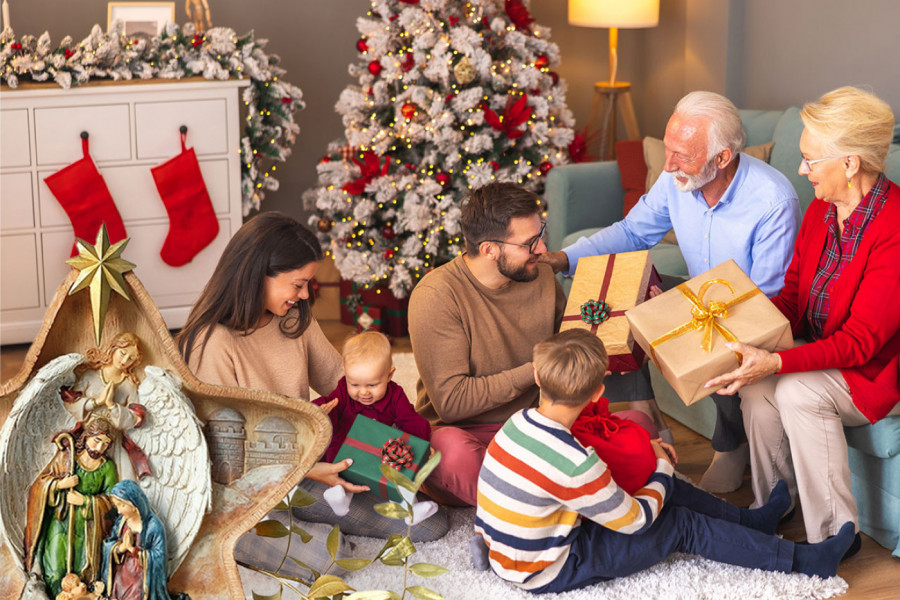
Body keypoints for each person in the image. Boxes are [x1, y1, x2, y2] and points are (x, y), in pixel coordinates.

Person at [541, 90, 801, 493]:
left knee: (719, 342)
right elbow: (632, 233)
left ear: (722, 158)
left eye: (682, 155)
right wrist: (562, 258)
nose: (668, 165)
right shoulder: (675, 178)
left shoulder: (772, 200)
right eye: (668, 150)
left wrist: (694, 327)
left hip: (746, 311)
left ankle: (730, 444)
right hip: (698, 298)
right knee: (617, 292)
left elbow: (767, 299)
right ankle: (645, 409)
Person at [474, 329, 855, 594]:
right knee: (678, 522)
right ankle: (803, 562)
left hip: (519, 550)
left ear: (538, 376)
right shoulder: (576, 462)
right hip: (551, 568)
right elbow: (637, 520)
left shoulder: (517, 423)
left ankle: (751, 521)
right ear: (598, 393)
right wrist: (661, 468)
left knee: (656, 489)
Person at [176, 212, 447, 549]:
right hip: (259, 480)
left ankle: (300, 522)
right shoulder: (213, 343)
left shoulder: (292, 318)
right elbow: (225, 453)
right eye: (298, 284)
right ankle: (264, 530)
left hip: (314, 456)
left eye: (308, 285)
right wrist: (308, 469)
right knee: (334, 556)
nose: (304, 296)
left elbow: (345, 383)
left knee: (433, 522)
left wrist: (389, 432)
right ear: (258, 275)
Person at [705, 86, 900, 552]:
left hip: (870, 371)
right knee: (756, 384)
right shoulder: (820, 211)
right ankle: (775, 504)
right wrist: (745, 333)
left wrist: (776, 362)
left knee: (795, 389)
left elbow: (861, 343)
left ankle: (837, 536)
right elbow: (792, 297)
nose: (801, 169)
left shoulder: (894, 229)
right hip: (822, 353)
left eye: (811, 160)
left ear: (850, 163)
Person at [409, 182, 655, 507]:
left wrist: (627, 324)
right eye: (529, 243)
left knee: (639, 427)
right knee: (452, 454)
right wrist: (536, 370)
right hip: (474, 432)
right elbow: (453, 403)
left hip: (544, 422)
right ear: (489, 250)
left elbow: (572, 355)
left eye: (541, 234)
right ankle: (572, 499)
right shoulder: (437, 296)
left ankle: (536, 501)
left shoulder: (538, 274)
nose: (542, 250)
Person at [312, 331, 436, 519]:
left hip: (377, 451)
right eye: (354, 384)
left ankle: (409, 509)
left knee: (397, 472)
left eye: (372, 385)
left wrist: (421, 448)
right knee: (339, 464)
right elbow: (330, 407)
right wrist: (321, 410)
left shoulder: (395, 395)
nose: (363, 392)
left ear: (389, 375)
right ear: (346, 375)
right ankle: (339, 497)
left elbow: (409, 420)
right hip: (345, 450)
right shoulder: (343, 392)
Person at [24, 417, 118, 598]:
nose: (99, 448)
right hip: (60, 524)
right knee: (54, 569)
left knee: (81, 575)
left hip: (88, 529)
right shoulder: (67, 458)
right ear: (87, 437)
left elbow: (112, 504)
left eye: (105, 444)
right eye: (97, 441)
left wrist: (86, 501)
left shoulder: (107, 468)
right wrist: (59, 485)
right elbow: (38, 486)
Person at [63, 332, 150, 480]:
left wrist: (111, 406)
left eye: (131, 358)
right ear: (113, 348)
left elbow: (133, 420)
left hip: (112, 442)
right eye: (122, 353)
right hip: (87, 437)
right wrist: (97, 402)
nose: (124, 360)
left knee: (120, 478)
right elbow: (71, 403)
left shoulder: (129, 385)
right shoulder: (90, 376)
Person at [99, 480, 174, 600]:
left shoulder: (153, 526)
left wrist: (134, 551)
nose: (119, 511)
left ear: (134, 504)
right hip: (122, 572)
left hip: (141, 576)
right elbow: (109, 544)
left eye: (122, 505)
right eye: (117, 506)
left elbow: (160, 556)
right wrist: (122, 547)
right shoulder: (121, 522)